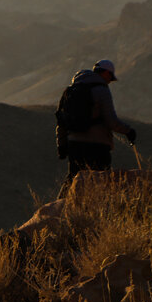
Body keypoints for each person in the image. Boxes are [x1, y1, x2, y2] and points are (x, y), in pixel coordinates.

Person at [55, 59, 136, 198]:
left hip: (74, 144)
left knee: (73, 178)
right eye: (110, 77)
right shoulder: (101, 90)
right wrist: (128, 131)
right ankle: (98, 214)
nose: (110, 81)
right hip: (97, 145)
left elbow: (62, 121)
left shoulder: (70, 90)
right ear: (105, 73)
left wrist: (62, 145)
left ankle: (57, 212)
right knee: (101, 181)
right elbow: (111, 120)